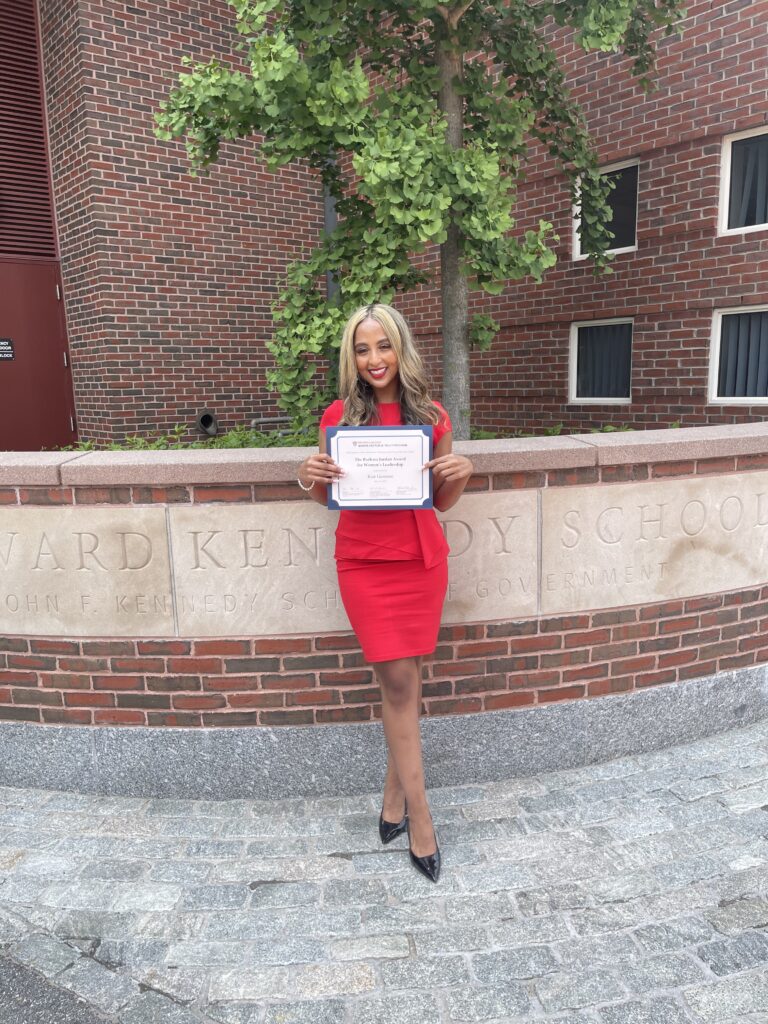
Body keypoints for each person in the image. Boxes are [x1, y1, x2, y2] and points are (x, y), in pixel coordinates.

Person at [297, 302, 473, 882]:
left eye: (384, 346)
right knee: (398, 680)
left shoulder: (432, 415)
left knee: (409, 676)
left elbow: (439, 503)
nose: (375, 359)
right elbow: (330, 498)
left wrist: (459, 476)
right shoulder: (337, 416)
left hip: (422, 561)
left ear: (401, 348)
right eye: (362, 349)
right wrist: (310, 479)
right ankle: (421, 821)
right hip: (366, 566)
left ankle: (392, 798)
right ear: (351, 358)